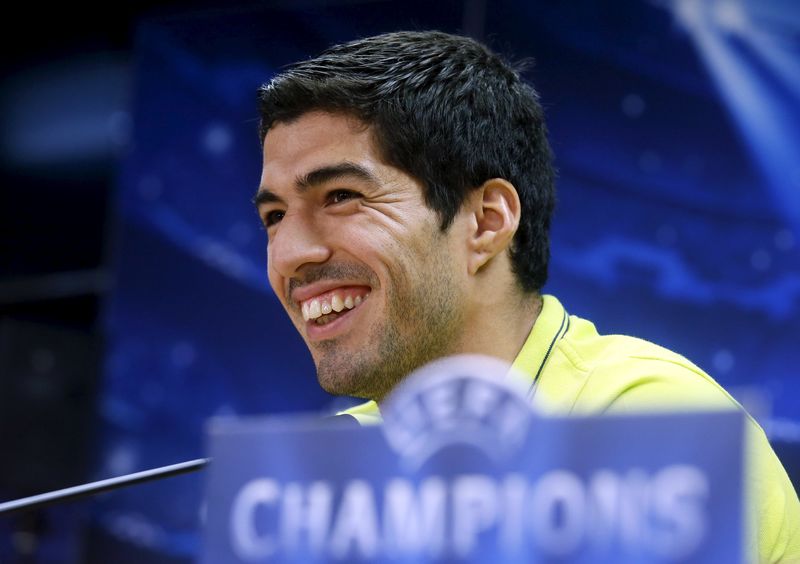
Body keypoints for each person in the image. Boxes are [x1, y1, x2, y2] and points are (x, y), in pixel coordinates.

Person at [253, 31, 799, 562]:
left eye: (342, 196)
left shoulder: (644, 419)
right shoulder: (330, 474)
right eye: (274, 217)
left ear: (487, 222)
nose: (289, 254)